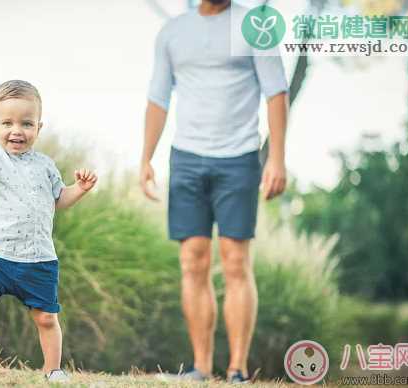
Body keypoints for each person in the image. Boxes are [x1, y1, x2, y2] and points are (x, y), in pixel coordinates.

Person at [140, 0, 289, 383]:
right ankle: (201, 368)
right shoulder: (173, 32)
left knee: (236, 260)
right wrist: (146, 158)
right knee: (193, 260)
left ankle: (237, 369)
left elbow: (276, 93)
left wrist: (276, 159)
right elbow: (158, 98)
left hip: (238, 158)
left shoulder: (255, 25)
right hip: (186, 158)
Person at [0, 80, 97, 383]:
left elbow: (59, 200)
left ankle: (52, 369)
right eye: (8, 123)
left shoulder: (45, 166)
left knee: (46, 318)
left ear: (39, 127)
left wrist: (79, 189)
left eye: (27, 123)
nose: (17, 130)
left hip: (39, 259)